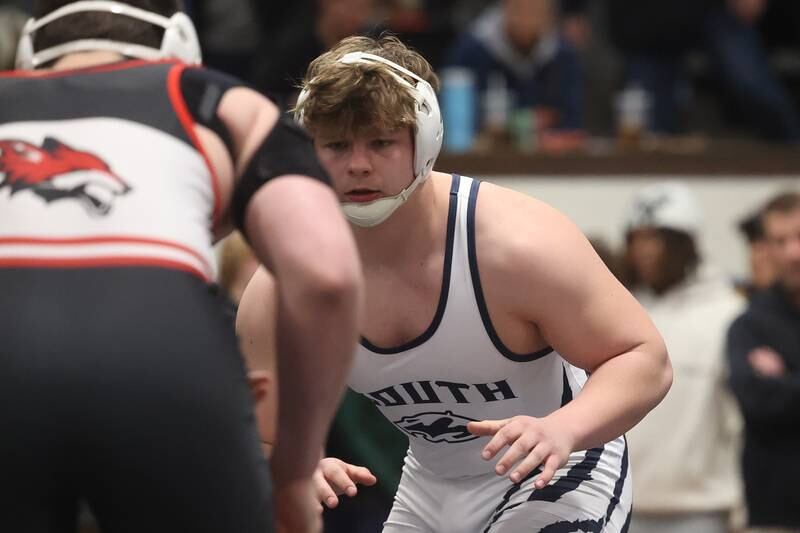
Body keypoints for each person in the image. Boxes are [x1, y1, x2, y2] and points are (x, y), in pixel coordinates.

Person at [242, 34, 672, 531]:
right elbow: (261, 431)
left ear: (424, 141)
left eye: (381, 142)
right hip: (431, 485)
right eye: (336, 145)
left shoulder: (514, 245)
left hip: (557, 464)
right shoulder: (285, 281)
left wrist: (563, 429)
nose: (358, 164)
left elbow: (645, 357)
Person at [0, 1, 363, 532]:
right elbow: (327, 277)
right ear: (180, 45)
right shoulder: (220, 102)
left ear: (32, 47)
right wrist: (293, 468)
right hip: (168, 369)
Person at [621, 182, 745, 533]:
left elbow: (739, 420)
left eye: (657, 238)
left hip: (702, 510)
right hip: (623, 504)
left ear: (684, 243)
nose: (644, 250)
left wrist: (740, 507)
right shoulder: (619, 311)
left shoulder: (728, 314)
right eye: (637, 238)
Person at [727, 191, 800, 532]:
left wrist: (785, 380)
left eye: (799, 237)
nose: (793, 253)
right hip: (773, 515)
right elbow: (756, 401)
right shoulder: (750, 324)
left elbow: (776, 397)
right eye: (780, 241)